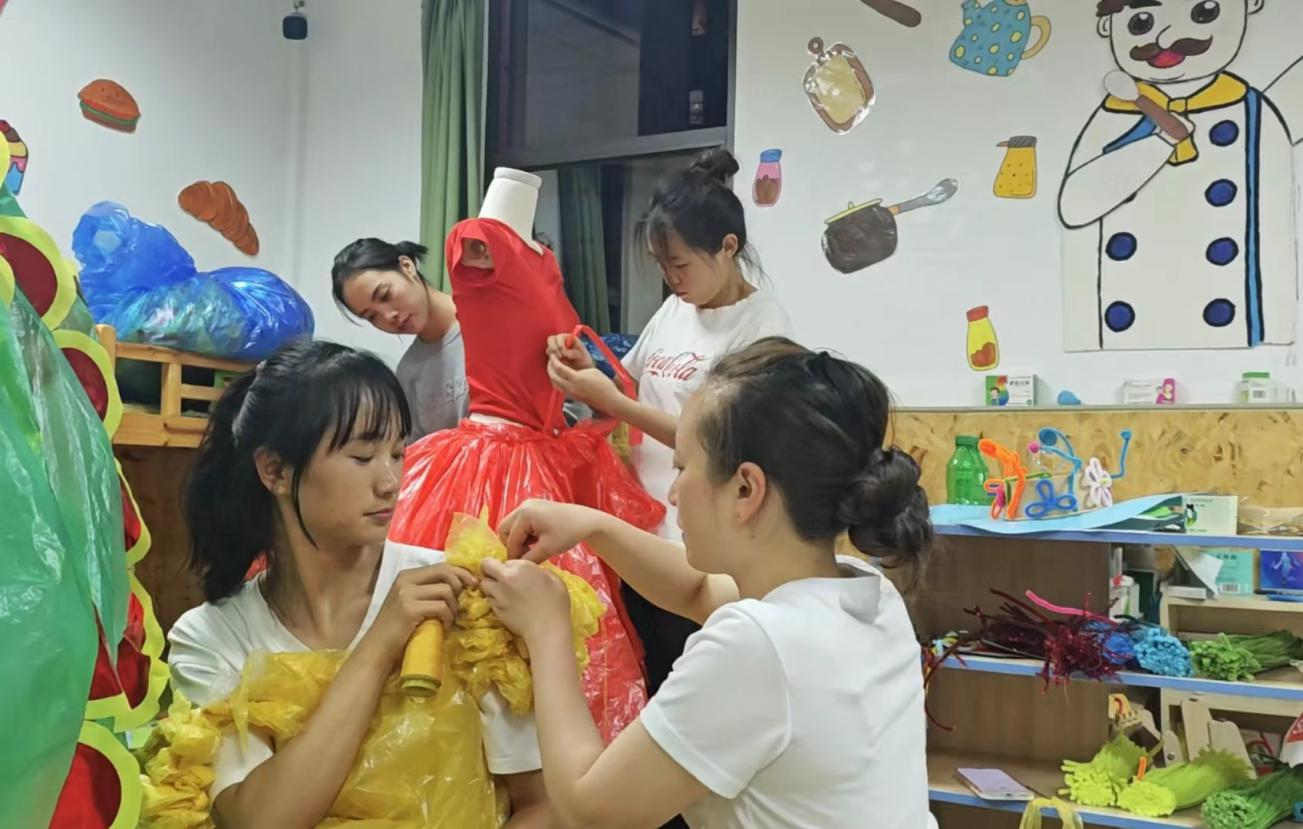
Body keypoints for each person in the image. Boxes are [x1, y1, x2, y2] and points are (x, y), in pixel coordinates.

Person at [480, 337, 935, 829]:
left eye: (681, 468)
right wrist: (593, 526)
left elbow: (590, 812)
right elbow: (696, 590)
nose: (674, 493)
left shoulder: (758, 645)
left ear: (745, 489)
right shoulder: (866, 590)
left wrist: (547, 628)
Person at [166, 341, 549, 828]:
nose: (391, 482)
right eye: (362, 456)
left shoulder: (461, 597)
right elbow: (259, 820)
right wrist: (380, 646)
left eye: (397, 453)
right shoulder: (213, 638)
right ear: (275, 470)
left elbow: (543, 804)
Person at [385, 169, 665, 745]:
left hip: (546, 451)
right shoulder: (480, 241)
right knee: (482, 622)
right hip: (492, 458)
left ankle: (557, 756)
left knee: (567, 617)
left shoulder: (541, 257)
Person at [545, 148, 790, 696]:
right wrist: (589, 372)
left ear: (728, 247)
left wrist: (616, 403)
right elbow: (625, 389)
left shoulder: (763, 327)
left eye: (680, 265)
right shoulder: (675, 309)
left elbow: (726, 446)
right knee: (652, 677)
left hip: (708, 548)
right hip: (648, 530)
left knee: (700, 686)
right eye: (661, 265)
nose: (670, 278)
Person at [332, 238, 468, 441]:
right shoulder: (408, 374)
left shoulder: (490, 325)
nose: (388, 316)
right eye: (371, 316)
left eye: (385, 296)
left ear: (407, 266)